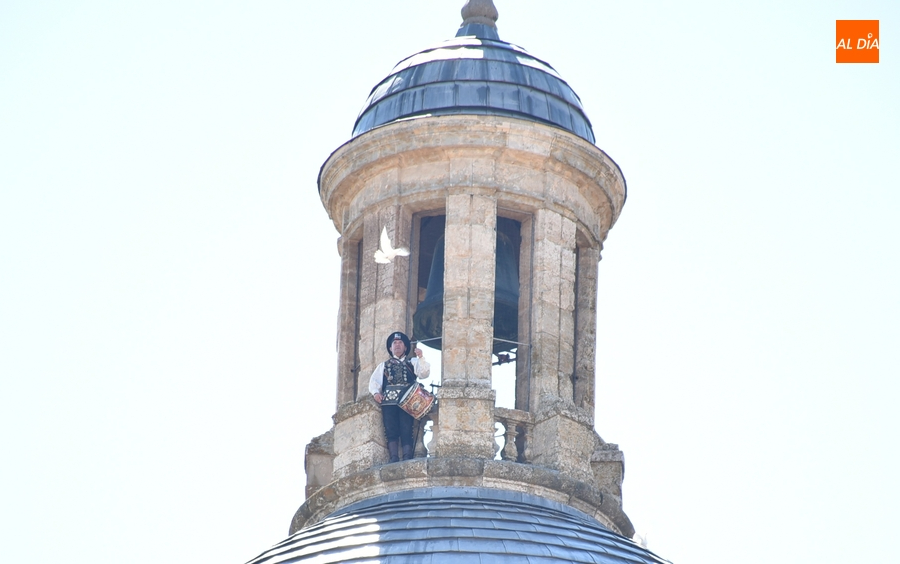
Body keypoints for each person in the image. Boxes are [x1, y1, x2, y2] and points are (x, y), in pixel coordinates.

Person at [369, 331, 430, 462]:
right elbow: (374, 382)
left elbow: (424, 373)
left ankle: (407, 456)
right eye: (394, 343)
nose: (397, 345)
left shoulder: (412, 362)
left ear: (405, 347)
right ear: (390, 348)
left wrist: (421, 358)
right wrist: (376, 393)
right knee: (390, 429)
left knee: (406, 428)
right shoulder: (383, 366)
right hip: (388, 403)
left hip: (407, 402)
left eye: (400, 342)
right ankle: (394, 457)